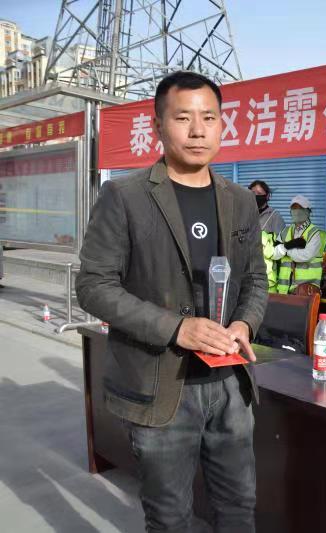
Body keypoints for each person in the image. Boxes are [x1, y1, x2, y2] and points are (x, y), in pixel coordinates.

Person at [76, 71, 266, 532]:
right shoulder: (125, 196)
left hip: (229, 384)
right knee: (169, 516)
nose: (198, 130)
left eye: (209, 118)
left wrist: (244, 324)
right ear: (158, 125)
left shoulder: (241, 201)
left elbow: (255, 280)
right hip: (161, 385)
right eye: (183, 118)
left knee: (239, 506)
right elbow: (94, 285)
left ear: (222, 125)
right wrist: (177, 328)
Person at [272, 195, 326, 295]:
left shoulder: (314, 233)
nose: (297, 212)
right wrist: (289, 245)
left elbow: (305, 255)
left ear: (308, 211)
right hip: (284, 289)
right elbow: (274, 254)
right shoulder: (285, 231)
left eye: (300, 208)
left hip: (306, 290)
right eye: (294, 208)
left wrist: (285, 249)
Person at [249, 180, 285, 293]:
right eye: (252, 193)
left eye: (259, 193)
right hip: (246, 275)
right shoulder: (245, 215)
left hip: (266, 277)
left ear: (267, 196)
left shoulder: (275, 217)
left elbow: (280, 248)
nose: (255, 196)